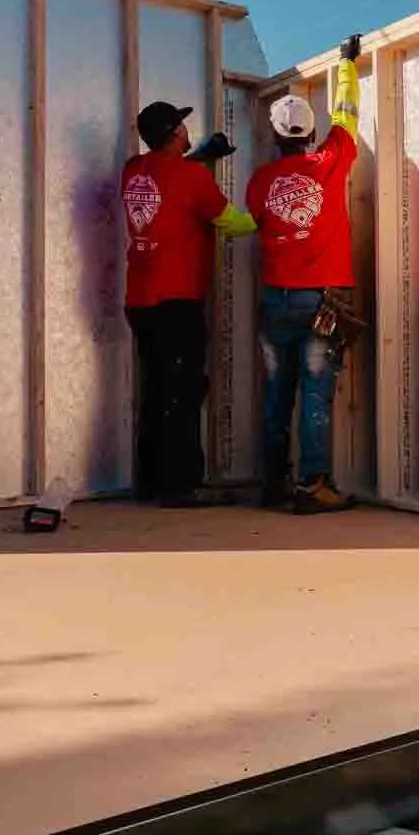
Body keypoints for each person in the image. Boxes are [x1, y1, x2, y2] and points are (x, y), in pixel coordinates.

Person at [246, 36, 363, 513]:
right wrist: (347, 65)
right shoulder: (330, 161)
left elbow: (255, 222)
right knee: (315, 393)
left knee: (278, 393)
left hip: (276, 301)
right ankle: (313, 485)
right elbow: (346, 113)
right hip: (319, 303)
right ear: (310, 133)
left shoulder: (258, 183)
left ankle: (273, 483)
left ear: (275, 137)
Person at [121, 101, 256, 507]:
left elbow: (165, 176)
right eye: (181, 125)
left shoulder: (133, 170)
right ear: (174, 131)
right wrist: (269, 218)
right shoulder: (191, 178)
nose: (186, 130)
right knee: (182, 391)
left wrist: (202, 156)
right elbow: (232, 221)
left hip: (140, 300)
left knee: (156, 389)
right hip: (176, 300)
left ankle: (149, 482)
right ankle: (180, 486)